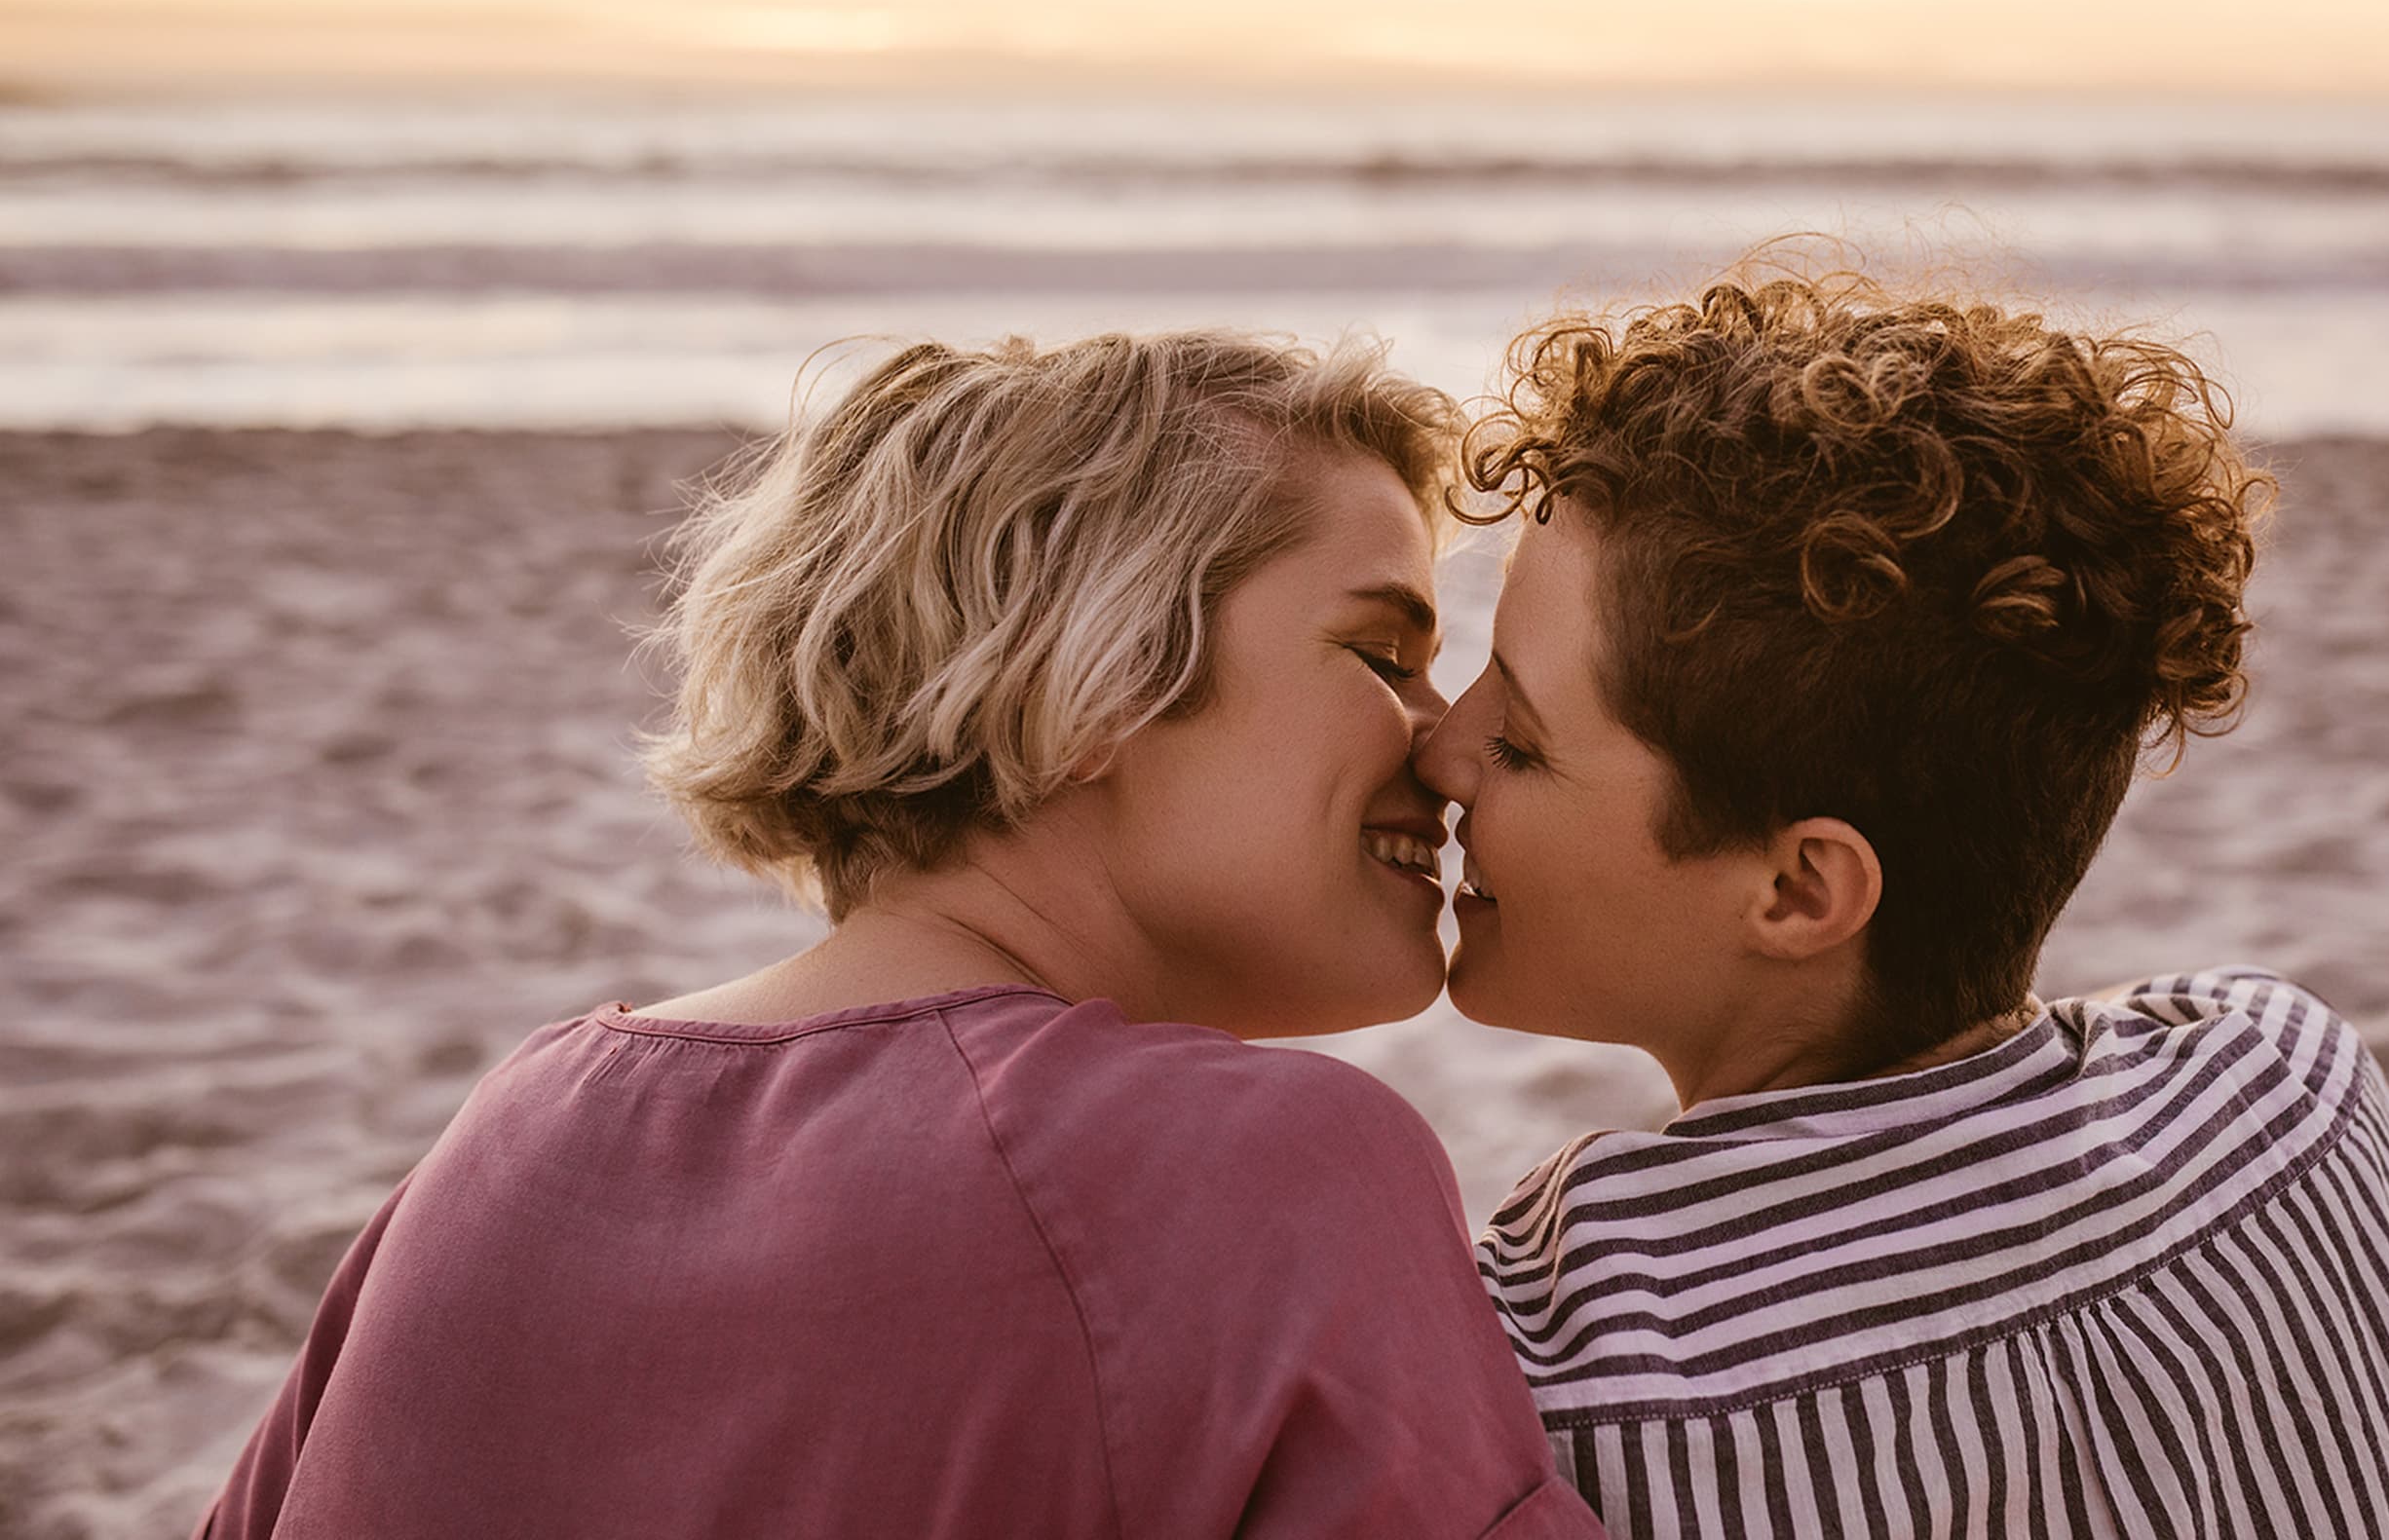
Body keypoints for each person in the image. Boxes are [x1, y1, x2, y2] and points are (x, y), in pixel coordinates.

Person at [197, 330, 1602, 1539]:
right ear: (1100, 675)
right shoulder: (1271, 1168)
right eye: (1381, 654)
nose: (1448, 746)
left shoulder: (508, 1132)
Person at [1420, 259, 2389, 1537]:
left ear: (1804, 889)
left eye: (1521, 741)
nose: (1441, 750)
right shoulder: (2294, 1090)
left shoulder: (1574, 1385)